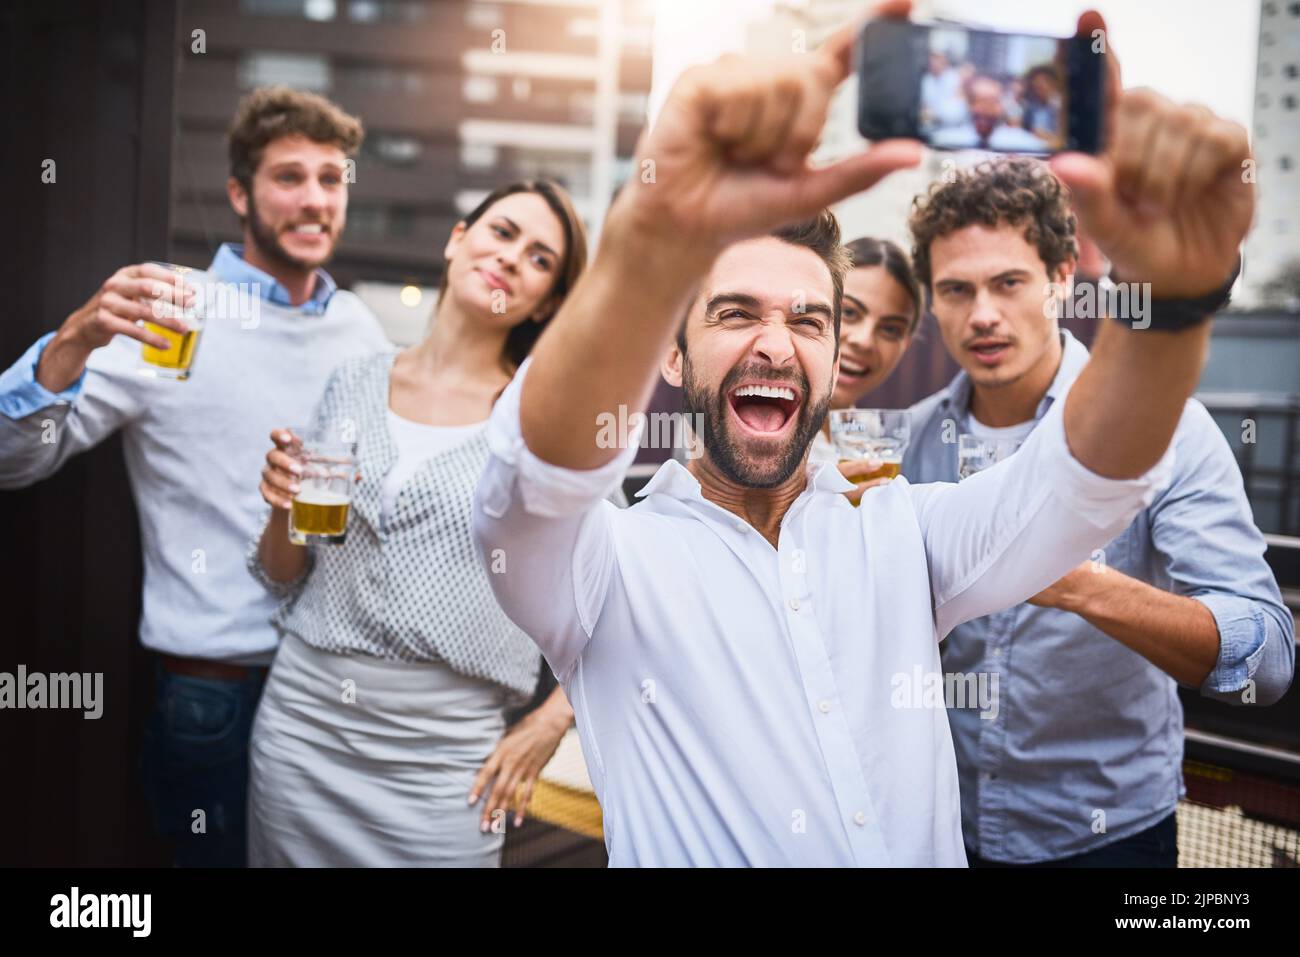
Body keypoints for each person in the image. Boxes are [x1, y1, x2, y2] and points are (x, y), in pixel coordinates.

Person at [470, 4, 1256, 866]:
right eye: (735, 313)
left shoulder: (903, 527)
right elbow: (537, 476)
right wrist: (653, 243)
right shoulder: (600, 564)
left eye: (810, 320)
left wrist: (1173, 306)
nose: (777, 341)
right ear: (673, 352)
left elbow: (1077, 484)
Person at [0, 86, 389, 866]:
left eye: (330, 178)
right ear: (240, 194)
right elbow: (13, 460)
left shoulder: (360, 328)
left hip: (339, 692)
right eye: (289, 177)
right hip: (215, 693)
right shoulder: (171, 309)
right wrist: (75, 337)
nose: (314, 199)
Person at [901, 156, 1294, 867]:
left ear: (1060, 278)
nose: (982, 313)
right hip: (942, 825)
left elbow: (1266, 654)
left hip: (1107, 838)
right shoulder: (912, 441)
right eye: (956, 289)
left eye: (1008, 282)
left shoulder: (1172, 429)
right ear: (931, 299)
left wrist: (1079, 583)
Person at [246, 180, 593, 866]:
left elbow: (618, 591)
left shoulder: (540, 421)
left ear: (548, 299)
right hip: (304, 727)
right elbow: (282, 576)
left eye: (541, 258)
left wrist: (552, 721)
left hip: (442, 763)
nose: (513, 257)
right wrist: (283, 510)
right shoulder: (353, 380)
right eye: (501, 232)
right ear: (457, 239)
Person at [809, 237, 922, 488]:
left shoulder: (880, 441)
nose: (864, 341)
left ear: (905, 346)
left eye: (890, 329)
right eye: (849, 312)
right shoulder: (753, 433)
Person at [931, 75, 1048, 152]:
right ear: (969, 105)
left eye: (993, 102)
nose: (986, 109)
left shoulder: (1023, 144)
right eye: (980, 101)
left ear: (1001, 106)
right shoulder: (945, 141)